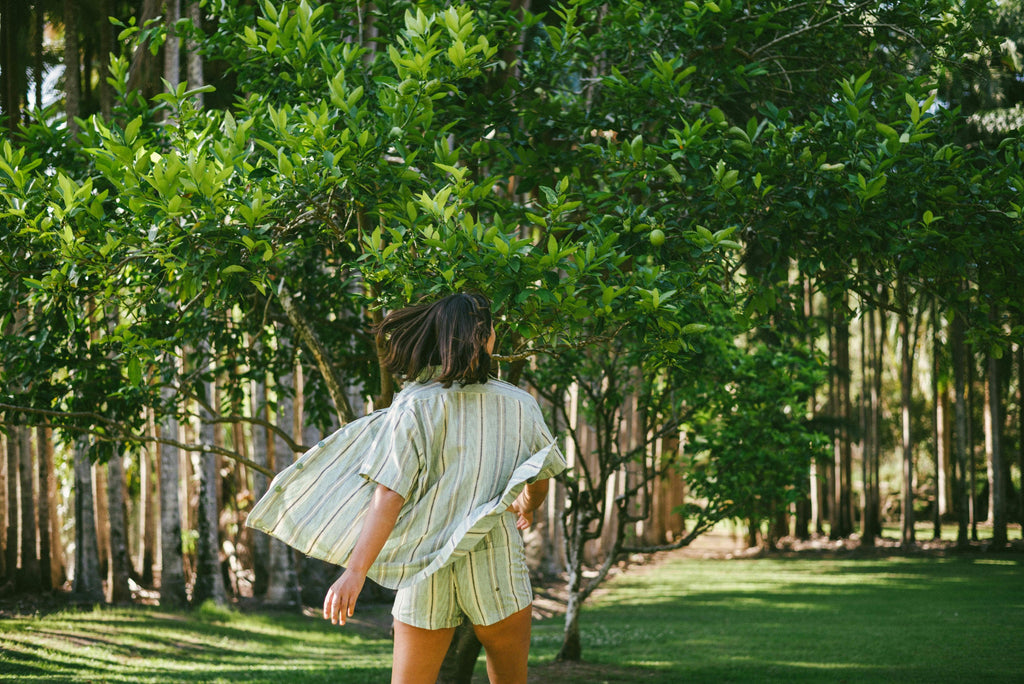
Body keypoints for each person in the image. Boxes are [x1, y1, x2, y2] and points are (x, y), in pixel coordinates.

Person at [246, 292, 565, 684]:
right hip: (495, 556)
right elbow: (541, 473)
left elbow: (389, 494)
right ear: (484, 337)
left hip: (424, 560)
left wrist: (355, 571)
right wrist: (528, 506)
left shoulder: (414, 405)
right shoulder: (521, 405)